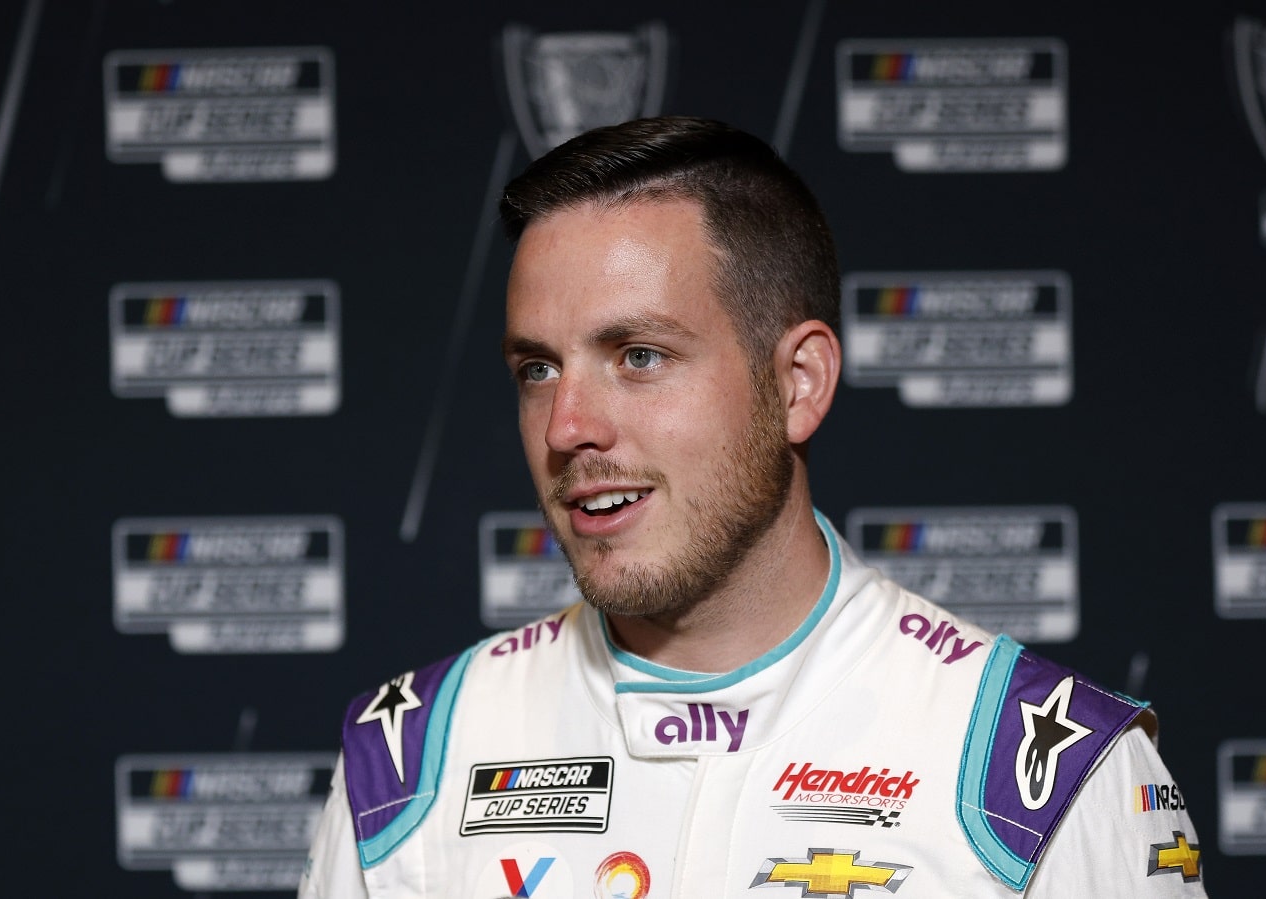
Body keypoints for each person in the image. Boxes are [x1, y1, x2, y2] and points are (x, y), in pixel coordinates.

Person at [300, 116, 1207, 898]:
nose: (568, 425)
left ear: (800, 384)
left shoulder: (1041, 773)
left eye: (639, 356)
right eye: (539, 368)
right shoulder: (408, 760)